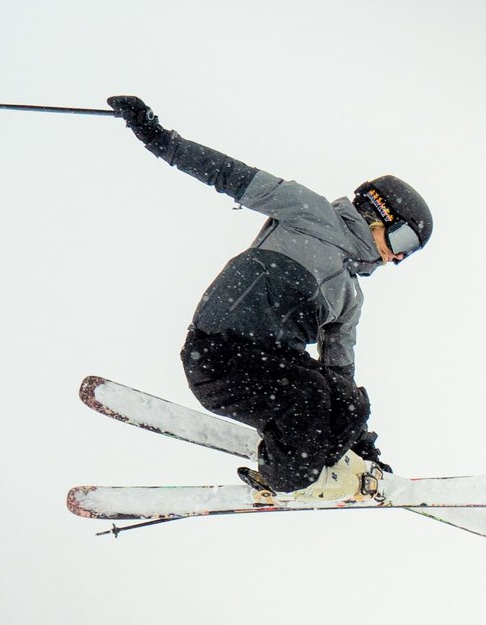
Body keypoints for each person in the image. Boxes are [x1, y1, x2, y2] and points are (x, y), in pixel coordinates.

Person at [107, 95, 433, 501]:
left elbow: (340, 373)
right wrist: (157, 137)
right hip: (219, 354)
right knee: (311, 395)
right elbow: (227, 174)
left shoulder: (350, 297)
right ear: (378, 213)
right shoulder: (308, 210)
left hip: (271, 365)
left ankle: (336, 468)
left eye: (409, 254)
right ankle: (289, 479)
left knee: (349, 403)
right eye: (403, 241)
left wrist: (358, 440)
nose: (398, 257)